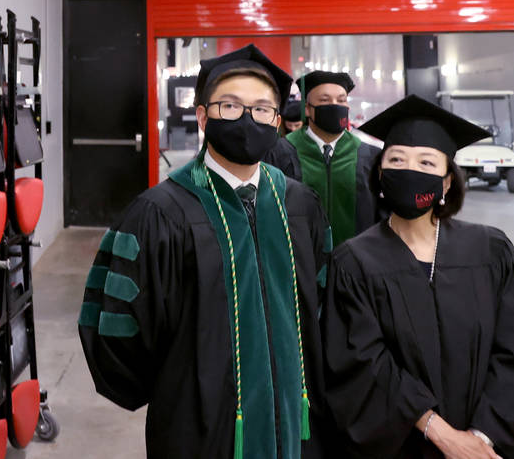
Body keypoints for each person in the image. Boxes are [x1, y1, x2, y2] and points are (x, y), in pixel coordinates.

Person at [79, 44, 332, 459]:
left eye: (262, 109)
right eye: (230, 106)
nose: (247, 118)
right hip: (197, 427)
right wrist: (177, 389)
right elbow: (116, 331)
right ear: (202, 117)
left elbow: (320, 306)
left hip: (292, 420)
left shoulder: (301, 206)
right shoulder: (158, 213)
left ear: (277, 120)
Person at [323, 95, 514, 459]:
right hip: (402, 445)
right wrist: (441, 434)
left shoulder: (490, 252)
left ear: (447, 182)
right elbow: (362, 367)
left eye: (426, 162)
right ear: (381, 175)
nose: (410, 169)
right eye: (397, 160)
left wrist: (480, 438)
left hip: (488, 445)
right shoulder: (354, 263)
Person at [268, 71, 380, 248]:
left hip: (358, 263)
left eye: (341, 100)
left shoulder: (370, 156)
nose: (335, 106)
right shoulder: (279, 152)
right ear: (307, 108)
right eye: (325, 100)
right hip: (300, 262)